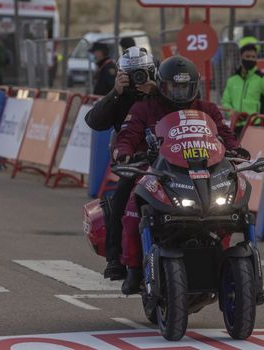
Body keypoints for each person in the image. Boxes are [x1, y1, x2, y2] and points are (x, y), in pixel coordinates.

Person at [113, 55, 250, 294]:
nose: (179, 92)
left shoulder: (207, 108)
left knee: (231, 209)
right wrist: (124, 152)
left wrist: (235, 148)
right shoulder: (144, 107)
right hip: (159, 171)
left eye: (184, 87)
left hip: (204, 172)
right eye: (173, 87)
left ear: (194, 86)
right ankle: (134, 267)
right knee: (133, 210)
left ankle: (223, 261)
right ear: (161, 85)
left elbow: (224, 134)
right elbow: (128, 135)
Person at [85, 46, 157, 280]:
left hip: (171, 157)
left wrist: (157, 92)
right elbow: (94, 121)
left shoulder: (164, 92)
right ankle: (115, 259)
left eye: (143, 72)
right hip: (134, 162)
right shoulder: (120, 97)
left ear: (152, 71)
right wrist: (115, 92)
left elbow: (189, 109)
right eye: (132, 73)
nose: (138, 78)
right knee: (121, 199)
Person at [221, 43, 264, 134]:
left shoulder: (263, 79)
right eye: (247, 56)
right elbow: (226, 101)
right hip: (235, 125)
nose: (250, 59)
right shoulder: (232, 80)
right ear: (241, 57)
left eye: (253, 57)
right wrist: (233, 114)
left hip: (255, 126)